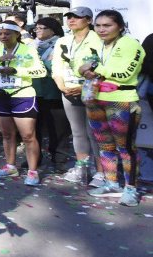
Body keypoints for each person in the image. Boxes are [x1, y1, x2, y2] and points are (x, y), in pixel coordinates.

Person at [78, 10, 145, 207]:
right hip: (95, 99)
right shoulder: (97, 44)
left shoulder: (131, 44)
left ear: (120, 26)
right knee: (105, 146)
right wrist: (85, 69)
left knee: (125, 148)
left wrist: (95, 69)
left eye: (107, 25)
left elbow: (124, 74)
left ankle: (131, 189)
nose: (101, 29)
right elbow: (80, 66)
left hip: (122, 101)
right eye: (98, 25)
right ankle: (111, 183)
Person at [0, 21, 46, 186]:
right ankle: (10, 166)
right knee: (7, 134)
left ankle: (32, 171)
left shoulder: (28, 49)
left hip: (22, 95)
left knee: (28, 136)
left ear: (17, 34)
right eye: (1, 33)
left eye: (7, 33)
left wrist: (18, 71)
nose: (3, 36)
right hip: (0, 94)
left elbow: (41, 71)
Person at [51, 6, 105, 187]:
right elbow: (57, 67)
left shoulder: (99, 39)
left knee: (95, 133)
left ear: (89, 20)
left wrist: (83, 88)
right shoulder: (63, 41)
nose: (71, 20)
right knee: (77, 132)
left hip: (92, 91)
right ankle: (82, 168)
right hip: (68, 91)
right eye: (69, 17)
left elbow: (103, 67)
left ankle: (101, 172)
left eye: (77, 17)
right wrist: (62, 87)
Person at [32, 17, 71, 167]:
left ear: (53, 30)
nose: (38, 31)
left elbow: (57, 66)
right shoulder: (32, 46)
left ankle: (59, 157)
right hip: (34, 91)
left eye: (42, 28)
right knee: (34, 127)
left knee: (57, 127)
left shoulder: (61, 44)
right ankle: (35, 157)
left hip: (54, 91)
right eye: (37, 28)